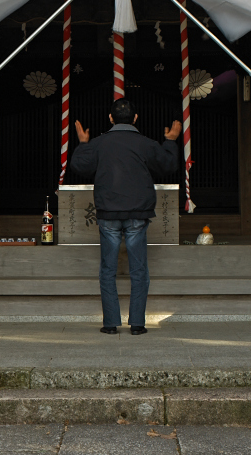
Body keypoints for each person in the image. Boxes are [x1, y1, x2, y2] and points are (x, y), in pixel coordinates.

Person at [70, 98, 182, 336]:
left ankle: (111, 323)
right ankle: (137, 324)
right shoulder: (145, 143)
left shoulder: (99, 144)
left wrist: (83, 143)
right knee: (139, 270)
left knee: (107, 270)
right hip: (137, 214)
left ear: (110, 118)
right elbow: (168, 164)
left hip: (108, 213)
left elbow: (79, 166)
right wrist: (171, 140)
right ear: (136, 118)